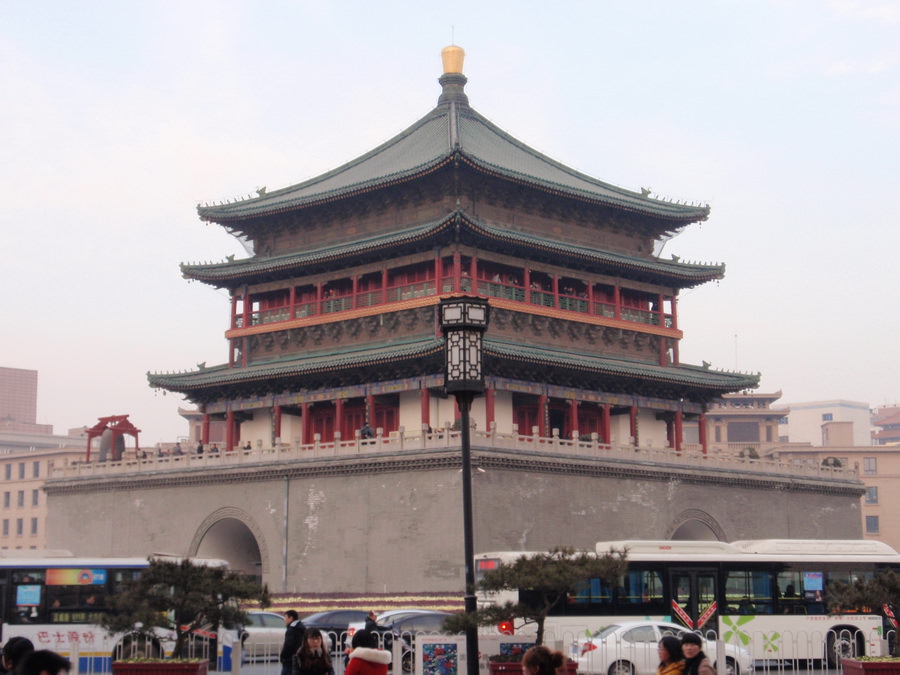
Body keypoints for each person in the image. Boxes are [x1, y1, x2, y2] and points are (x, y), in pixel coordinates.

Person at [281, 610, 306, 675]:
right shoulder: (302, 627)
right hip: (300, 658)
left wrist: (283, 657)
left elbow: (288, 645)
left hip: (290, 660)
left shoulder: (292, 630)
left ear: (291, 618)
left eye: (285, 617)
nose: (284, 620)